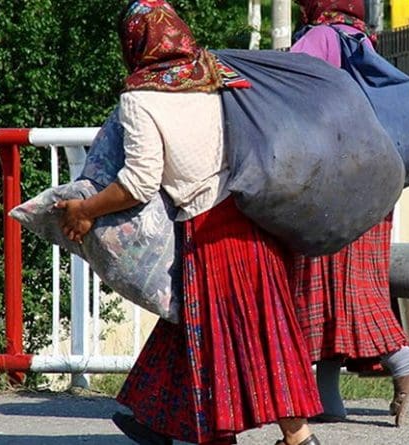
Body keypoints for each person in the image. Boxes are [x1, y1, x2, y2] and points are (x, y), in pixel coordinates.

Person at [57, 1, 322, 444]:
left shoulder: (141, 99)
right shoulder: (217, 76)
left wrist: (84, 210)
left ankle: (293, 439)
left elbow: (139, 183)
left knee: (228, 335)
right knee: (255, 326)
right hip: (254, 220)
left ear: (135, 42)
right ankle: (154, 420)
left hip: (210, 234)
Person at [289, 0, 409, 428]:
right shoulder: (359, 37)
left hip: (339, 185)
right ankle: (325, 398)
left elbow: (291, 101)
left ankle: (403, 358)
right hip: (375, 179)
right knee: (339, 284)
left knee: (333, 283)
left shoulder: (319, 37)